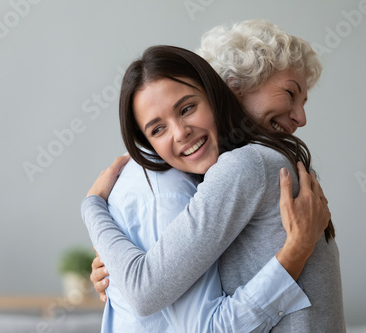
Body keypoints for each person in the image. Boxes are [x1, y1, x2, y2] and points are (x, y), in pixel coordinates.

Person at [85, 20, 345, 332]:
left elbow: (144, 290)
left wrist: (91, 207)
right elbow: (149, 283)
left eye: (187, 109)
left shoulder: (248, 164)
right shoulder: (263, 162)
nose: (301, 118)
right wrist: (113, 270)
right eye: (290, 93)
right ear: (234, 86)